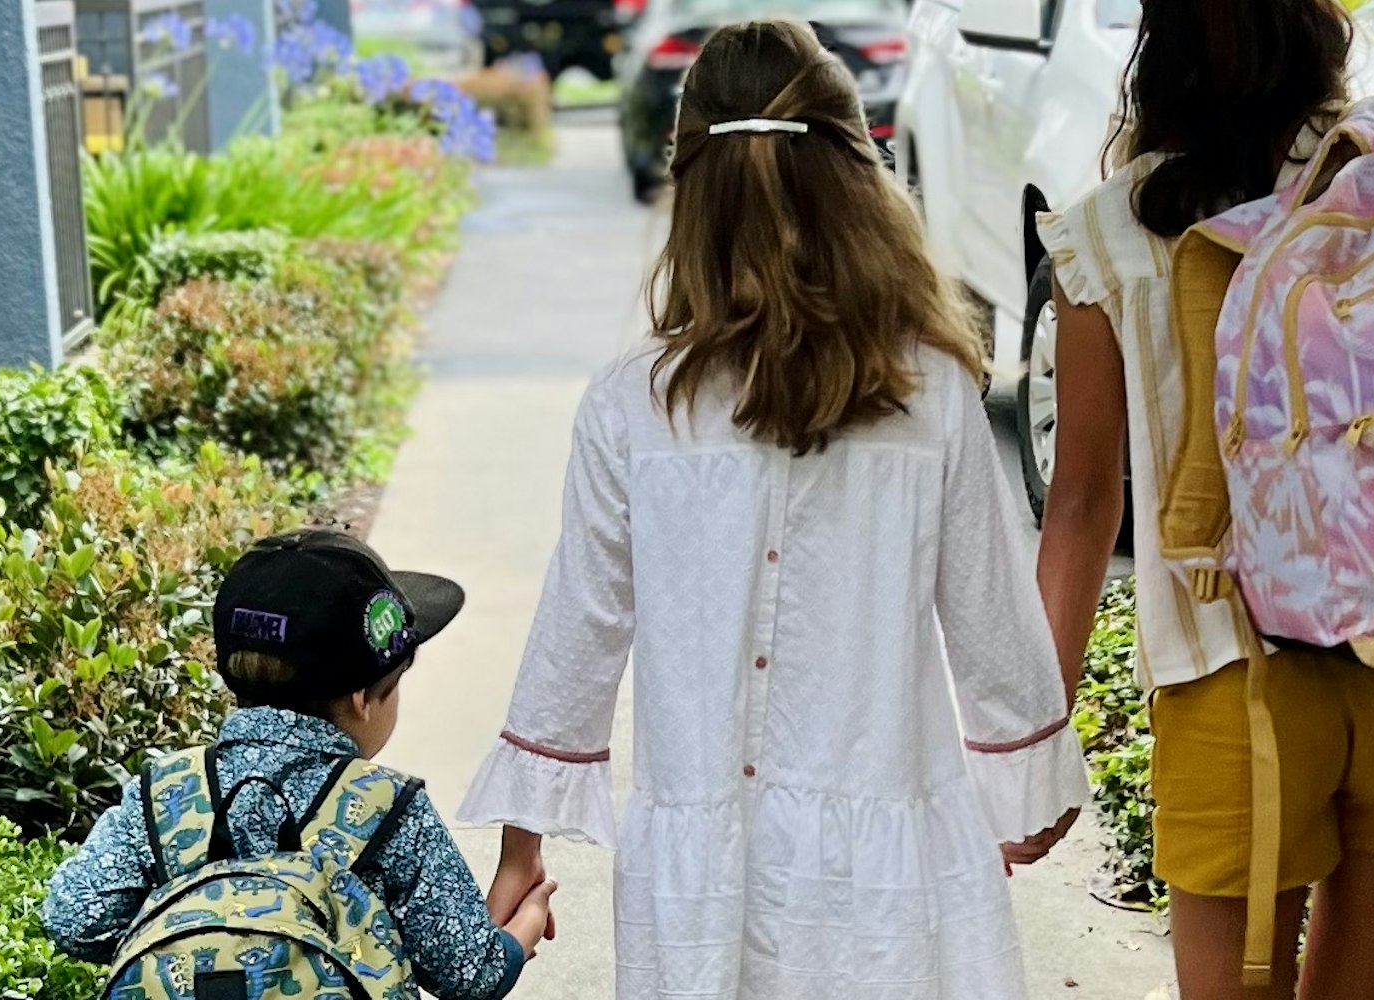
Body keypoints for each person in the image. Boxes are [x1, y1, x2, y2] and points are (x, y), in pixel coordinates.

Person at [456, 19, 1091, 1000]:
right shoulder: (930, 391)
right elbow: (990, 618)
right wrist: (1028, 780)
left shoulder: (635, 402)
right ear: (861, 171)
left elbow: (574, 634)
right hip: (890, 882)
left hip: (700, 885)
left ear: (689, 190)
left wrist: (521, 848)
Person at [1031, 2, 1374, 998]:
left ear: (1152, 55)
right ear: (1320, 39)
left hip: (1228, 671)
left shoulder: (1106, 237)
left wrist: (1034, 732)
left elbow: (1079, 507)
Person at [43, 529, 555, 1000]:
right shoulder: (386, 808)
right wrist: (526, 921)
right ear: (362, 699)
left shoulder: (166, 792)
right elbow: (469, 972)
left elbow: (73, 919)